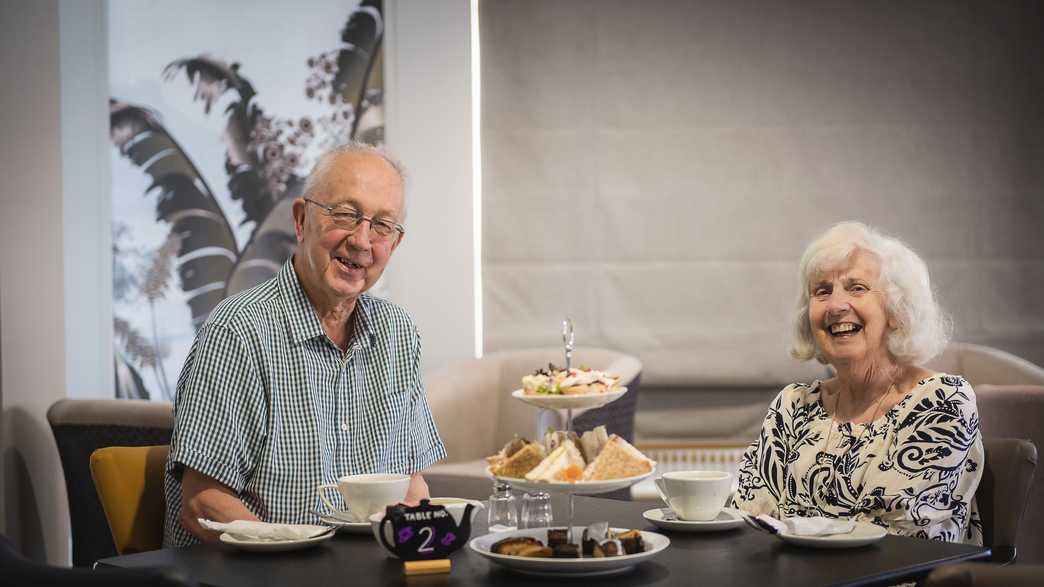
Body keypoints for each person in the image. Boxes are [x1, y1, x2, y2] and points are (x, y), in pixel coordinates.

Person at [163, 142, 446, 547]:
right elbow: (204, 505)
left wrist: (422, 553)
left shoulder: (398, 334)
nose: (362, 241)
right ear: (301, 220)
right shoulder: (238, 333)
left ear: (395, 244)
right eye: (347, 215)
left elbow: (411, 483)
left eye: (383, 226)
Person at [733, 221, 983, 544]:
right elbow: (750, 519)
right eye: (822, 291)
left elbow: (899, 539)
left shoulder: (942, 402)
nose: (836, 306)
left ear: (896, 309)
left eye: (857, 288)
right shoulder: (792, 407)